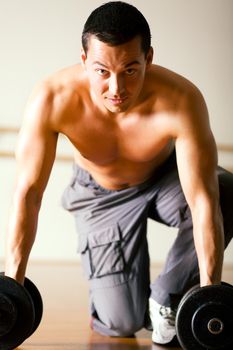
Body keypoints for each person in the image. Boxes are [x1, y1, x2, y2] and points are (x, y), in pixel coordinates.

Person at [5, 1, 233, 345]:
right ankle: (130, 301)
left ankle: (166, 300)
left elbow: (203, 201)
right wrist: (11, 288)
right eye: (101, 71)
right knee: (120, 322)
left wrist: (209, 292)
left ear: (148, 59)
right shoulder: (53, 98)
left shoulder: (182, 100)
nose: (116, 89)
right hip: (100, 196)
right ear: (84, 61)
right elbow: (28, 194)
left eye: (130, 70)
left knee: (226, 190)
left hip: (163, 180)